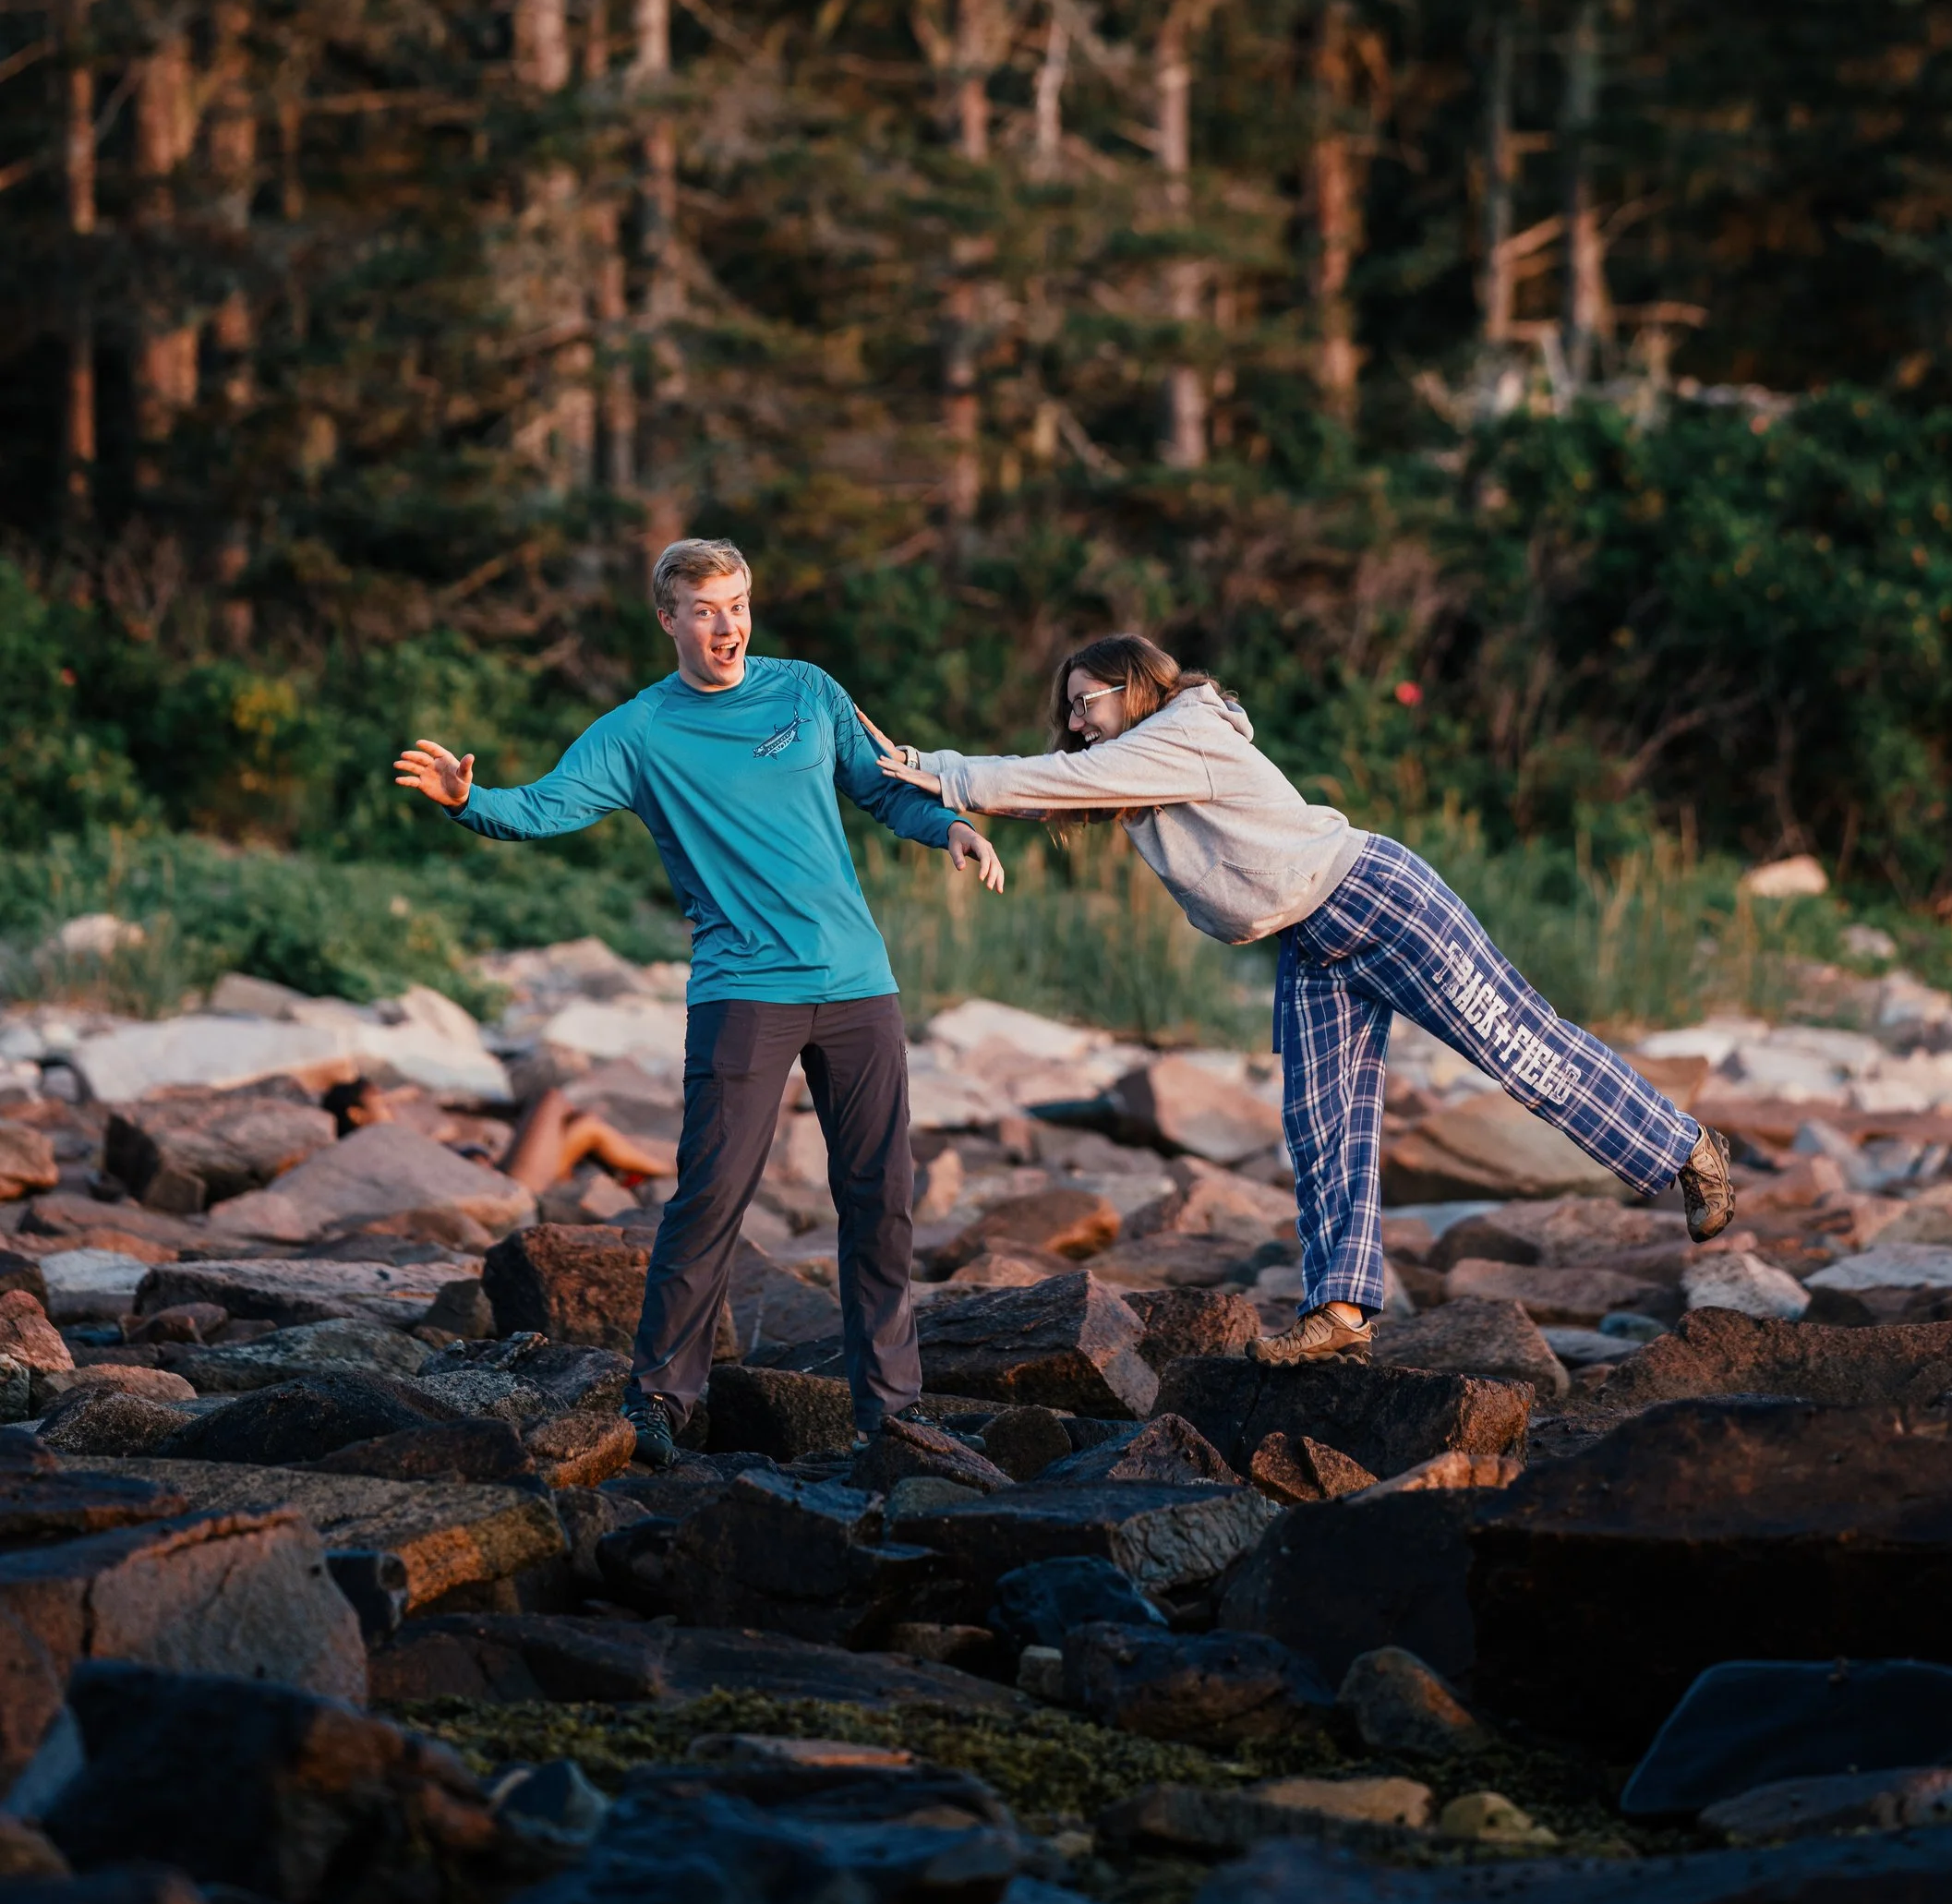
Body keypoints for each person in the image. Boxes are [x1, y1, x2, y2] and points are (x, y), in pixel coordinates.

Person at [865, 631, 1733, 1363]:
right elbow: (1062, 780)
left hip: (1377, 898)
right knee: (1323, 1118)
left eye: (1086, 701)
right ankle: (1342, 1310)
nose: (1073, 720)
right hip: (1311, 939)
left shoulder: (1186, 731)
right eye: (1071, 706)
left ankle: (1685, 1146)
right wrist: (934, 785)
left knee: (1520, 1048)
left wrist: (929, 767)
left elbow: (1056, 778)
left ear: (1134, 691)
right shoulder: (1139, 767)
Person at [392, 535, 1005, 1463]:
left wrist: (950, 826)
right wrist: (466, 800)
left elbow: (885, 789)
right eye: (707, 611)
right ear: (670, 619)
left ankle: (890, 1410)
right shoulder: (637, 732)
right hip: (742, 990)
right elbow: (544, 807)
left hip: (857, 985)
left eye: (740, 606)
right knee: (711, 1200)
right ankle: (661, 1404)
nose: (728, 627)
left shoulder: (807, 690)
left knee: (880, 1199)